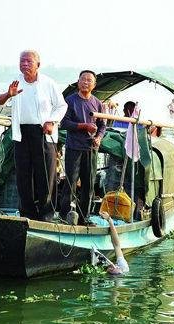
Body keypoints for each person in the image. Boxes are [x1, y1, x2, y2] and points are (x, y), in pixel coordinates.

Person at [0, 50, 67, 222]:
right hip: (21, 134)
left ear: (38, 65)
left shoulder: (48, 83)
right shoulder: (15, 81)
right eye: (22, 61)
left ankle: (46, 215)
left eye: (28, 61)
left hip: (43, 133)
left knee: (45, 175)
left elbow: (61, 106)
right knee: (23, 176)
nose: (24, 64)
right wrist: (8, 95)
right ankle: (27, 214)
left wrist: (52, 121)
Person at [60, 70, 106, 225]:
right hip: (74, 147)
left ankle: (84, 217)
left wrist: (98, 138)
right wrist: (83, 126)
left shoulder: (98, 103)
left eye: (89, 80)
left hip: (91, 149)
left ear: (94, 84)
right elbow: (64, 123)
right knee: (71, 182)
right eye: (83, 79)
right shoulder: (70, 100)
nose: (86, 82)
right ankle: (64, 215)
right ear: (78, 82)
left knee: (88, 184)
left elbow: (102, 126)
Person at [99, 211, 130, 275]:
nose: (112, 267)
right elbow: (116, 244)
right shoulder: (123, 266)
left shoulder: (117, 271)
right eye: (113, 267)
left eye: (111, 268)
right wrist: (110, 220)